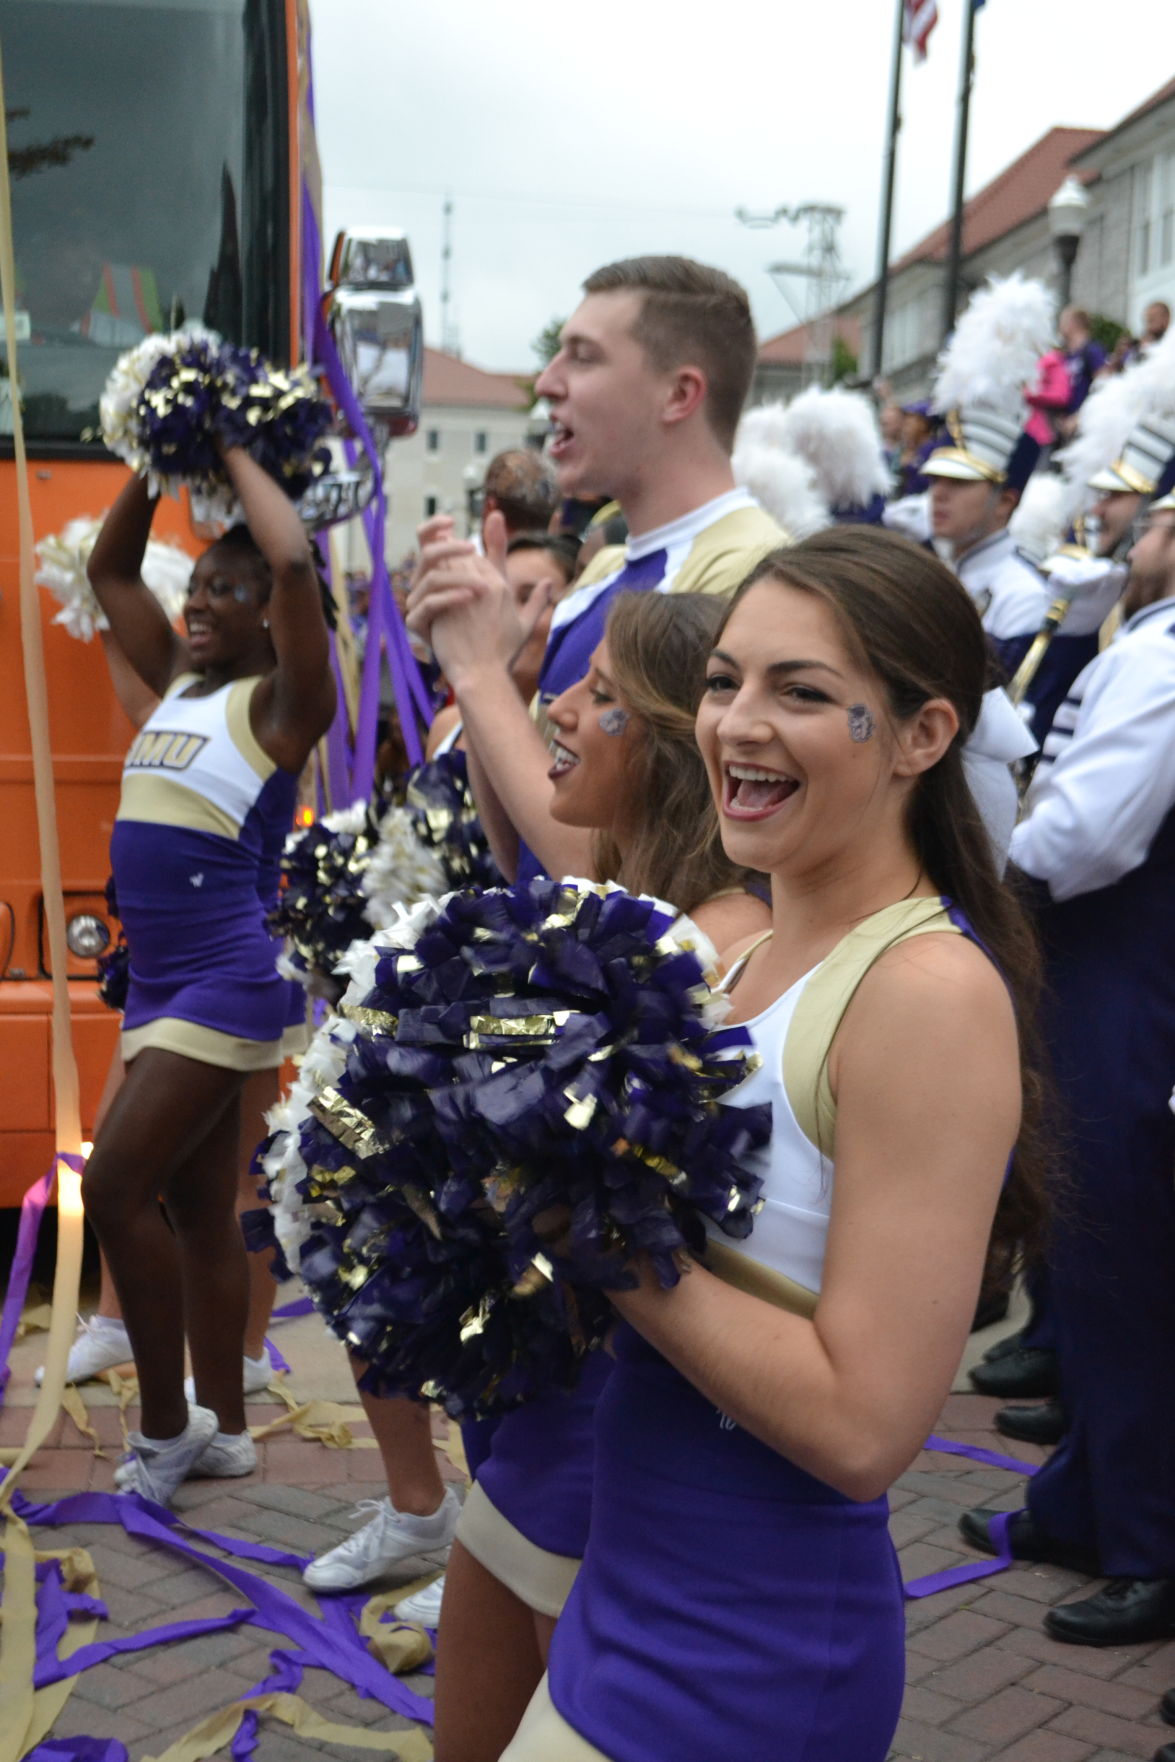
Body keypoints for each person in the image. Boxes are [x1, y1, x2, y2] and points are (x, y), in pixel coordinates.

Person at [501, 525, 1040, 1762]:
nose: (738, 721)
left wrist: (591, 1227)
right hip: (625, 1596)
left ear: (920, 735)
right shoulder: (737, 950)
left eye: (801, 692)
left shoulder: (927, 993)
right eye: (724, 680)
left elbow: (863, 1429)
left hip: (749, 1653)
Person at [432, 590, 770, 1762]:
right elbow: (534, 837)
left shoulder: (703, 948)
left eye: (600, 696)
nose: (559, 705)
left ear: (670, 753)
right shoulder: (630, 910)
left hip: (596, 1445)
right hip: (532, 1433)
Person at [81, 445, 336, 1505]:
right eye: (199, 583)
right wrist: (157, 454)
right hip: (157, 987)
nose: (201, 601)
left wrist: (230, 446)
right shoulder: (181, 684)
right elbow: (108, 570)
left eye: (227, 590)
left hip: (228, 978)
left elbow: (292, 568)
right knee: (192, 1209)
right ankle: (225, 1427)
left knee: (108, 1185)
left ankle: (164, 1428)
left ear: (268, 615)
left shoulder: (282, 706)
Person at [960, 474, 1175, 1648]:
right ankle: (1087, 1499)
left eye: (1148, 520)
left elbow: (1087, 828)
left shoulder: (1163, 652)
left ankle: (1143, 1539)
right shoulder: (1142, 636)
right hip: (1112, 962)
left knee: (1116, 1257)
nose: (1129, 535)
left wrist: (992, 890)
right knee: (1087, 1249)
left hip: (1121, 967)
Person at [406, 254, 784, 888]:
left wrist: (475, 675)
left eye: (582, 357)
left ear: (679, 394)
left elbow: (608, 871)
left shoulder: (753, 572)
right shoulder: (606, 566)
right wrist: (488, 666)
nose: (546, 382)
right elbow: (521, 847)